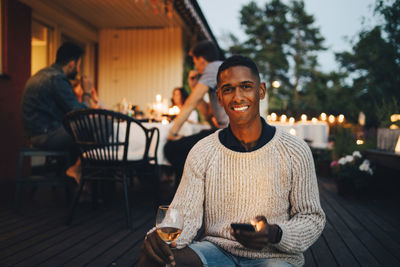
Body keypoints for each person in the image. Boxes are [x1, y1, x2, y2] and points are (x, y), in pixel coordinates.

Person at [138, 55, 326, 267]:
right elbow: (184, 215)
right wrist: (159, 240)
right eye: (228, 89)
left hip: (274, 257)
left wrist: (274, 233)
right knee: (153, 260)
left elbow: (311, 218)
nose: (237, 97)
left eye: (246, 87)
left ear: (261, 91)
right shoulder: (203, 151)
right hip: (216, 251)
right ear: (219, 96)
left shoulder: (295, 150)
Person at [22, 42, 95, 182]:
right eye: (79, 64)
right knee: (99, 126)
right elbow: (79, 113)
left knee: (87, 131)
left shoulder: (42, 75)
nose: (78, 70)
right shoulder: (57, 78)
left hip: (35, 134)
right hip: (47, 135)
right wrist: (86, 92)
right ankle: (82, 172)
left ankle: (83, 180)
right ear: (72, 63)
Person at [164, 40, 229, 179]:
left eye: (194, 61)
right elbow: (208, 114)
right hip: (222, 130)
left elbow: (190, 103)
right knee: (191, 142)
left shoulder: (213, 68)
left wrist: (173, 132)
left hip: (227, 133)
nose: (195, 66)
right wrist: (194, 87)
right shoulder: (220, 70)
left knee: (170, 148)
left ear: (201, 60)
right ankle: (197, 186)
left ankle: (192, 189)